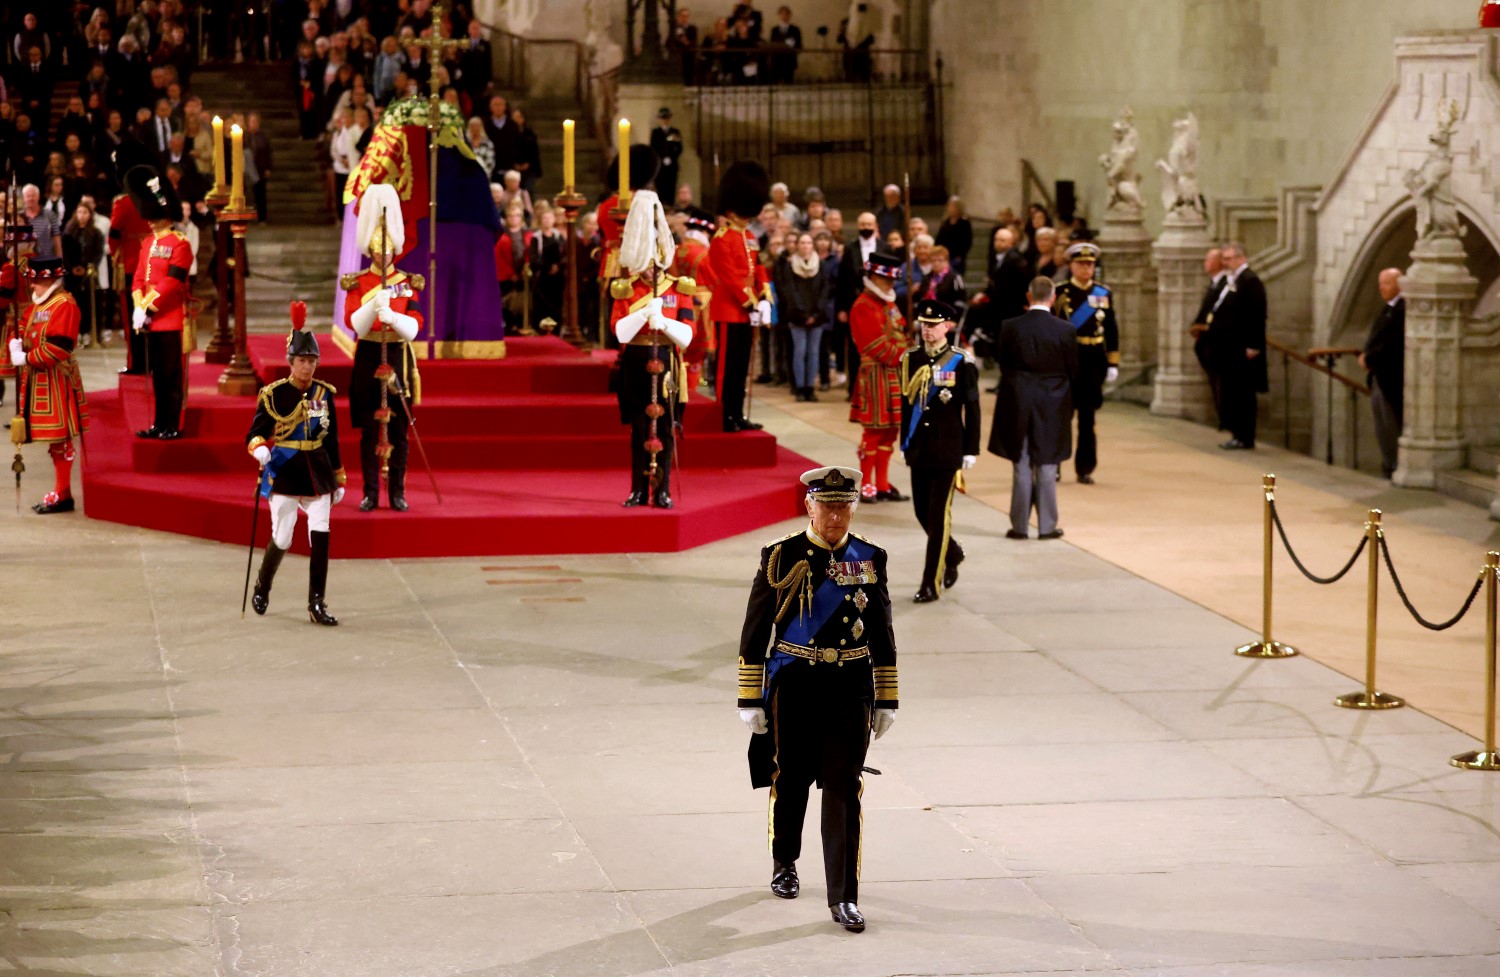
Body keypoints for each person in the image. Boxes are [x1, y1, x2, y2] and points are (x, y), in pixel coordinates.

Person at [737, 464, 898, 933]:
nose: (835, 516)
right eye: (826, 506)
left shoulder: (871, 557)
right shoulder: (780, 555)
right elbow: (755, 629)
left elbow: (883, 631)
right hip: (797, 684)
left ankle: (843, 896)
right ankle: (784, 860)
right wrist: (751, 697)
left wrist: (886, 698)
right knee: (791, 780)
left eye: (843, 505)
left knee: (845, 788)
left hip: (850, 685)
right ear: (809, 506)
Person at [246, 305, 346, 626]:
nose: (308, 367)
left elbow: (332, 438)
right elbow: (255, 432)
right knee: (284, 537)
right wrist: (260, 448)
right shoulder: (274, 395)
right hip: (286, 471)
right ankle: (263, 584)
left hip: (317, 472)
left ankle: (317, 602)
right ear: (291, 362)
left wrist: (338, 476)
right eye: (302, 360)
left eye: (312, 360)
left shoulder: (324, 393)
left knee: (321, 533)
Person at [608, 190, 696, 509]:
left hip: (668, 361)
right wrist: (644, 314)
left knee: (667, 426)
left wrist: (666, 324)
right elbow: (618, 331)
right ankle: (637, 489)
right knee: (639, 427)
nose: (649, 270)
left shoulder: (679, 288)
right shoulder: (626, 290)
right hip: (636, 359)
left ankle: (662, 490)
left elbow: (688, 335)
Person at [341, 185, 424, 511]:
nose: (383, 255)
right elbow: (354, 324)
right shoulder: (358, 281)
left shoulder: (407, 280)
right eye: (378, 250)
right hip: (368, 354)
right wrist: (374, 305)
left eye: (388, 250)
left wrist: (395, 318)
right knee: (368, 431)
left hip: (398, 355)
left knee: (400, 429)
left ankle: (398, 492)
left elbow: (416, 325)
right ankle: (371, 492)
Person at [900, 299, 979, 602]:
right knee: (922, 511)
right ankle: (954, 552)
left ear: (947, 326)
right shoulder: (911, 359)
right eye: (923, 324)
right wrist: (904, 443)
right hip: (919, 447)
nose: (927, 330)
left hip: (948, 449)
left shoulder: (961, 361)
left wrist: (971, 449)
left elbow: (972, 408)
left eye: (933, 325)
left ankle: (930, 583)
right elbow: (907, 409)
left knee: (938, 515)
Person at [989, 277, 1077, 540]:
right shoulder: (1065, 329)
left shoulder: (1010, 327)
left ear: (1029, 297)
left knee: (1022, 461)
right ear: (1052, 297)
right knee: (1048, 462)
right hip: (1053, 401)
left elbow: (1002, 363)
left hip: (1018, 398)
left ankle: (1020, 526)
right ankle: (1048, 526)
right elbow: (1073, 369)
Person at [7, 256, 89, 514]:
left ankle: (63, 493)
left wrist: (27, 357)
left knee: (61, 438)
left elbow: (59, 347)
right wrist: (14, 341)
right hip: (39, 380)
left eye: (36, 281)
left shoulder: (64, 305)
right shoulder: (39, 304)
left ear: (49, 280)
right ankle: (61, 491)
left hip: (56, 380)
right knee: (54, 440)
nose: (32, 286)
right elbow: (23, 324)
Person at [127, 164, 192, 440]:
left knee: (170, 376)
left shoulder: (180, 244)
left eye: (155, 216)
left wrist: (149, 306)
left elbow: (173, 282)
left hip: (170, 316)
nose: (150, 221)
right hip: (150, 319)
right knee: (157, 376)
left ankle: (172, 424)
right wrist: (138, 307)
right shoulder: (147, 243)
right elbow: (139, 277)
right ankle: (158, 423)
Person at [709, 160, 773, 433]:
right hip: (729, 310)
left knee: (742, 366)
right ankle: (725, 415)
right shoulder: (721, 239)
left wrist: (765, 296)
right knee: (727, 369)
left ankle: (737, 413)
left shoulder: (749, 236)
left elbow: (757, 268)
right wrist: (751, 302)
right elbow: (731, 277)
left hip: (747, 311)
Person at [1052, 242, 1119, 484]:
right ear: (1071, 266)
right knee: (1062, 416)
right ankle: (1054, 464)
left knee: (1088, 418)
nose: (1085, 269)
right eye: (1081, 264)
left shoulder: (1103, 293)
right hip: (1069, 359)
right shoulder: (1060, 292)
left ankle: (1085, 467)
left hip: (1093, 361)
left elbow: (1111, 328)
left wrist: (1112, 362)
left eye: (1089, 265)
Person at [849, 252, 909, 502]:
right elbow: (876, 346)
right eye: (887, 280)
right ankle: (867, 486)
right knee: (873, 432)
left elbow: (901, 330)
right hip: (875, 375)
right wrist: (906, 355)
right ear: (874, 276)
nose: (892, 285)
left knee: (889, 433)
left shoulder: (889, 304)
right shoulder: (863, 305)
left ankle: (882, 484)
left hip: (893, 374)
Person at [1211, 241, 1267, 450]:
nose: (1224, 263)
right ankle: (1236, 433)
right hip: (1230, 348)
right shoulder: (1233, 279)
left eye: (1228, 259)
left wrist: (1253, 344)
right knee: (1232, 392)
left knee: (1243, 394)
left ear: (1241, 258)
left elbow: (1256, 315)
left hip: (1243, 348)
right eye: (1223, 259)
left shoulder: (1250, 281)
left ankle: (1244, 436)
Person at [1361, 268, 1406, 479]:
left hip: (1391, 376)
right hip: (1379, 375)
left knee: (1390, 424)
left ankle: (1394, 465)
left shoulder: (1402, 309)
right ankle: (1388, 464)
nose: (1381, 288)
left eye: (1386, 283)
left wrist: (1369, 358)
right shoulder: (1388, 308)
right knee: (1381, 425)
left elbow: (1393, 343)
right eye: (1380, 283)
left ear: (1399, 284)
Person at [777, 230, 832, 402]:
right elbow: (790, 291)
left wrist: (815, 313)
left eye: (808, 243)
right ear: (797, 246)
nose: (805, 246)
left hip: (817, 315)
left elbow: (825, 289)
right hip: (797, 315)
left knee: (813, 352)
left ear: (812, 245)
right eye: (802, 243)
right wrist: (803, 313)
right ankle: (800, 387)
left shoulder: (821, 265)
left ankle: (810, 387)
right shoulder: (790, 265)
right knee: (799, 351)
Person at [673, 207, 716, 393]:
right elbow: (715, 281)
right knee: (698, 349)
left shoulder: (677, 250)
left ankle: (680, 383)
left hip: (679, 301)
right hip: (702, 301)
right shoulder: (705, 254)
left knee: (681, 346)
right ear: (705, 233)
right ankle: (691, 386)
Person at [1189, 246, 1227, 428]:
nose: (1205, 263)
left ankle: (1226, 420)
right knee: (1215, 382)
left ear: (1219, 263)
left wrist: (1203, 327)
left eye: (1209, 260)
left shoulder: (1225, 284)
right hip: (1208, 340)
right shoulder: (1214, 283)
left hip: (1218, 342)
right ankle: (1223, 418)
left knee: (1222, 384)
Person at [650, 108, 683, 203]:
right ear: (659, 119)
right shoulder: (655, 133)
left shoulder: (675, 132)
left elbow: (679, 147)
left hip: (672, 165)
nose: (665, 120)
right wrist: (662, 158)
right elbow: (653, 148)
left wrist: (671, 157)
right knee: (660, 187)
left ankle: (670, 205)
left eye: (666, 118)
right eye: (663, 118)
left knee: (671, 187)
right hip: (660, 166)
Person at [935, 195, 972, 274]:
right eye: (950, 206)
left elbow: (967, 241)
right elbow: (939, 238)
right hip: (944, 256)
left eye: (954, 207)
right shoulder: (945, 222)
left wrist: (960, 255)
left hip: (957, 257)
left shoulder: (964, 223)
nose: (952, 209)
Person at [769, 6, 802, 83]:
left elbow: (799, 45)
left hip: (789, 61)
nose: (784, 16)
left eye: (786, 14)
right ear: (779, 15)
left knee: (789, 83)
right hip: (777, 61)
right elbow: (772, 44)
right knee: (775, 83)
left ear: (790, 15)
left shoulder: (795, 30)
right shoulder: (774, 30)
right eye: (782, 14)